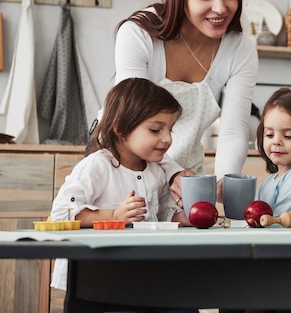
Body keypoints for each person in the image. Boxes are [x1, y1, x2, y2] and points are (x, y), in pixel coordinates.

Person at [108, 0, 258, 205]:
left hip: (187, 174)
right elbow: (132, 125)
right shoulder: (138, 35)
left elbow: (233, 130)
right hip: (126, 168)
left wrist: (224, 180)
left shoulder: (240, 48)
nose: (221, 8)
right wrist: (171, 173)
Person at [50, 78, 192, 293]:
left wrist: (181, 218)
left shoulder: (156, 171)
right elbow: (61, 214)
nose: (167, 139)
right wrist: (114, 216)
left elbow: (161, 215)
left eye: (170, 130)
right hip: (98, 279)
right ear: (121, 129)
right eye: (155, 130)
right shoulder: (97, 166)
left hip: (144, 275)